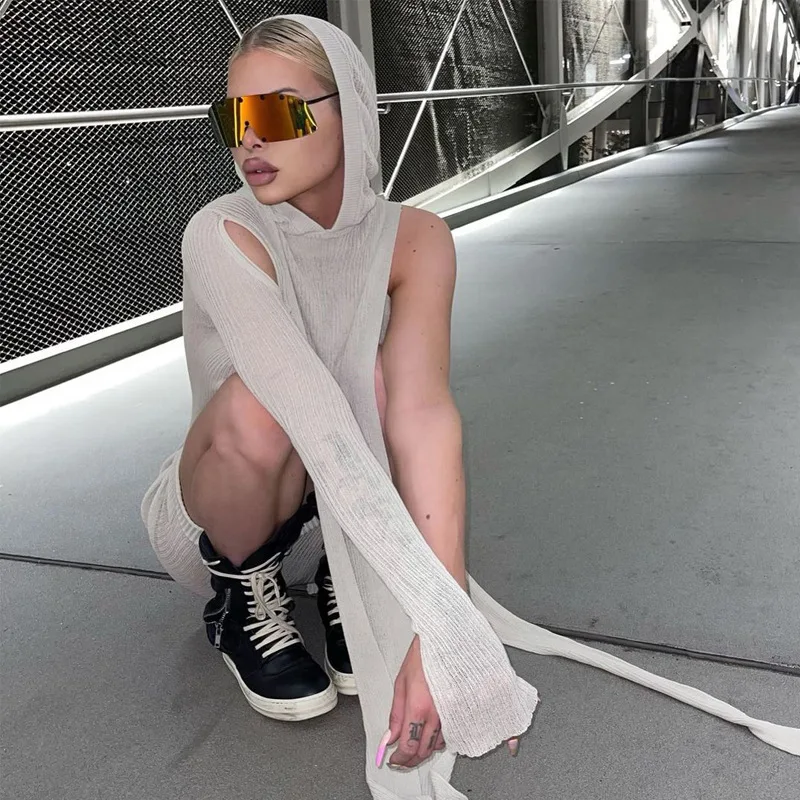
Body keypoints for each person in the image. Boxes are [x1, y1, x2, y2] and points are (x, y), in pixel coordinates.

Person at [141, 14, 798, 800]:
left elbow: (422, 419)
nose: (250, 139)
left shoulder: (416, 238)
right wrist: (448, 626)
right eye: (233, 117)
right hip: (220, 498)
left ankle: (349, 577)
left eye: (278, 112)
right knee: (265, 401)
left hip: (328, 497)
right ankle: (242, 596)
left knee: (382, 380)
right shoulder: (221, 231)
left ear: (351, 106)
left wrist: (435, 621)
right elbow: (312, 415)